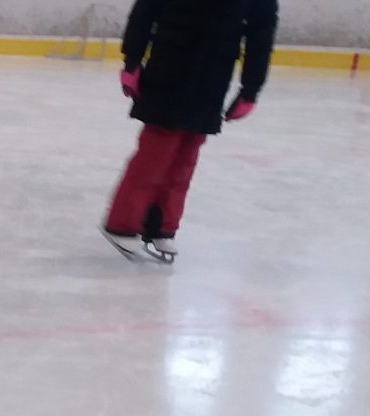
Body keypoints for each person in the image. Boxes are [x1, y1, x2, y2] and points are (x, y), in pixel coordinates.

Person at [100, 0, 279, 263]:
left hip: (215, 71)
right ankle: (122, 224)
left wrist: (251, 88)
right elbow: (146, 9)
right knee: (158, 147)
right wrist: (132, 60)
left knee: (188, 150)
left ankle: (160, 225)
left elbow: (261, 29)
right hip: (170, 62)